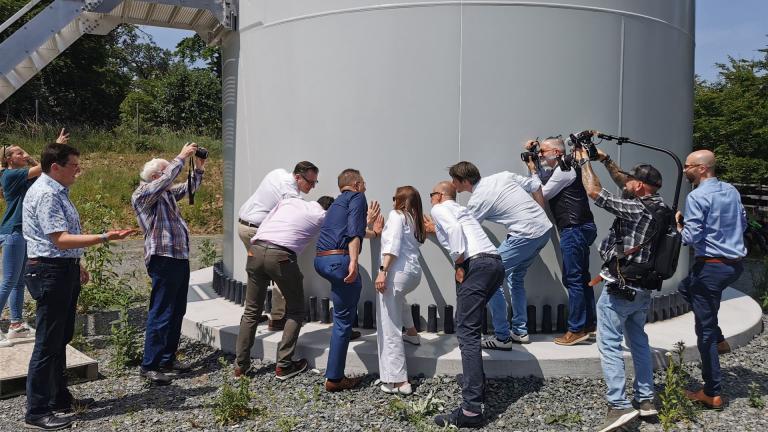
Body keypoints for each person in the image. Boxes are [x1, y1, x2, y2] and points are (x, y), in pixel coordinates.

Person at [23, 142, 133, 430]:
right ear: (55, 167)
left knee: (60, 337)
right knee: (48, 341)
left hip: (61, 268)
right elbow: (59, 239)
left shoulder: (57, 191)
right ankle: (36, 410)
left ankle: (59, 398)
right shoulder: (47, 194)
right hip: (50, 271)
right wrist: (105, 237)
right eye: (74, 165)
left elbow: (60, 241)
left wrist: (77, 263)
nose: (79, 170)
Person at [576, 146, 664, 432]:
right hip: (643, 290)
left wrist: (584, 162)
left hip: (620, 289)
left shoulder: (637, 210)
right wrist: (605, 159)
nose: (626, 182)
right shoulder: (660, 207)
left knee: (609, 345)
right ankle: (646, 400)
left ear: (639, 185)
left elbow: (595, 192)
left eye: (631, 181)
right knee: (639, 342)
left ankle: (619, 405)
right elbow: (622, 182)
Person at [448, 161, 551, 348]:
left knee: (492, 279)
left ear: (463, 181)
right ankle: (520, 331)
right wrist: (539, 215)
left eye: (454, 181)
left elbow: (464, 229)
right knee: (516, 278)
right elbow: (535, 185)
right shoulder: (502, 175)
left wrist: (435, 226)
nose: (453, 185)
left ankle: (502, 337)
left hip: (524, 235)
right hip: (544, 231)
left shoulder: (478, 200)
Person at [429, 181, 505, 428]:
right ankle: (477, 385)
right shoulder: (463, 211)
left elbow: (453, 232)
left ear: (440, 195)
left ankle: (471, 410)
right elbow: (452, 230)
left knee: (467, 333)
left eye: (432, 194)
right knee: (471, 327)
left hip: (475, 265)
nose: (431, 199)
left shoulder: (440, 208)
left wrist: (459, 262)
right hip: (495, 264)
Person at [676, 149, 746, 410]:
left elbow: (689, 238)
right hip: (734, 266)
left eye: (688, 166)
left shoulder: (696, 196)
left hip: (711, 268)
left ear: (702, 169)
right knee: (685, 289)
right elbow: (744, 221)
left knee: (702, 331)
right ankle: (719, 338)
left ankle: (712, 392)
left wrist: (677, 225)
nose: (685, 171)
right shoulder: (731, 190)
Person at [235, 195, 335, 379]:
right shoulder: (323, 216)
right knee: (296, 311)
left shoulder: (290, 201)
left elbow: (269, 217)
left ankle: (241, 367)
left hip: (255, 249)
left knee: (251, 311)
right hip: (281, 257)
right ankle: (284, 365)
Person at [132, 142, 206, 385]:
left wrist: (199, 167)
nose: (169, 178)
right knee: (161, 311)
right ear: (156, 176)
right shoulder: (143, 194)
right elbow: (166, 181)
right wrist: (181, 157)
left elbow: (189, 188)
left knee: (176, 310)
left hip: (177, 256)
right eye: (165, 173)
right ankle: (149, 364)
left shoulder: (165, 194)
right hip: (162, 257)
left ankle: (167, 359)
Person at [522, 137, 598, 345]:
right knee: (582, 278)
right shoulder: (563, 168)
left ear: (556, 152)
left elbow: (541, 195)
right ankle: (589, 324)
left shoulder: (565, 171)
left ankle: (576, 329)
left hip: (574, 229)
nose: (540, 155)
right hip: (580, 227)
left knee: (573, 279)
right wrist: (534, 158)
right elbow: (546, 176)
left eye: (543, 152)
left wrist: (533, 171)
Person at [314, 168, 382, 392]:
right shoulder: (357, 197)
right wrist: (353, 261)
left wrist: (370, 228)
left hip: (322, 261)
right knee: (342, 321)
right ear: (356, 184)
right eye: (363, 182)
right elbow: (354, 233)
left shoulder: (336, 204)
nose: (365, 187)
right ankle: (334, 378)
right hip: (340, 262)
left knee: (343, 309)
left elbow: (353, 230)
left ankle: (346, 329)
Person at [0, 129, 68, 347]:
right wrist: (55, 145)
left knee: (19, 282)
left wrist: (28, 156)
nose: (23, 154)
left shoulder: (25, 175)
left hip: (22, 233)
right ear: (9, 159)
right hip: (13, 232)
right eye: (18, 153)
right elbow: (45, 167)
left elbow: (44, 174)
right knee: (9, 280)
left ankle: (16, 325)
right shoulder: (9, 175)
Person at [238, 162, 319, 331]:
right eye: (310, 182)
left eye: (314, 183)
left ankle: (251, 313)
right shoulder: (290, 193)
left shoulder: (278, 172)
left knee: (257, 274)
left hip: (244, 225)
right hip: (256, 230)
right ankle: (277, 318)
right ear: (297, 177)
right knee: (280, 272)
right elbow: (298, 212)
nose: (312, 187)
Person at [374, 186, 426, 395]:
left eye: (395, 197)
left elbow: (393, 246)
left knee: (389, 325)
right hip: (412, 274)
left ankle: (398, 381)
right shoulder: (414, 219)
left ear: (401, 201)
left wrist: (382, 271)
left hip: (397, 272)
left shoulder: (396, 215)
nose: (392, 200)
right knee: (398, 303)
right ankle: (412, 334)